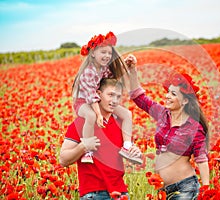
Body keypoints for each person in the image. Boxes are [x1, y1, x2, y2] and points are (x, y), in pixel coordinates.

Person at [125, 55, 210, 199]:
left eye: (173, 93)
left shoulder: (194, 127)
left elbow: (201, 159)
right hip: (163, 190)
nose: (167, 96)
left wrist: (207, 191)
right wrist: (132, 70)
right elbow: (139, 98)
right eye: (168, 92)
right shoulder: (162, 114)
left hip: (186, 188)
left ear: (184, 101)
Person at [60, 78, 142, 199]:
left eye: (118, 97)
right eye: (110, 95)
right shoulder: (82, 123)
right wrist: (83, 146)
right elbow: (63, 160)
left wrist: (136, 153)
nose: (114, 100)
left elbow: (132, 158)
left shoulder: (122, 124)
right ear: (98, 95)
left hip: (121, 193)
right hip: (94, 193)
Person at [72, 31, 142, 164]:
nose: (107, 56)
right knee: (91, 116)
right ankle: (87, 150)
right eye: (103, 52)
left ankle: (127, 146)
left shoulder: (103, 69)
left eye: (109, 53)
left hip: (98, 101)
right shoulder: (88, 72)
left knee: (127, 114)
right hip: (83, 103)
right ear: (93, 53)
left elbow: (113, 76)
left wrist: (125, 64)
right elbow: (92, 97)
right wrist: (99, 115)